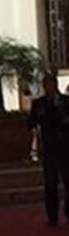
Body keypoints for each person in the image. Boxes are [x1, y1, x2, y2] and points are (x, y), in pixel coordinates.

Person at [28, 74, 69, 227]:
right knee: (50, 183)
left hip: (66, 147)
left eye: (51, 85)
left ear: (56, 85)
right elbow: (30, 123)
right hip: (49, 147)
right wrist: (39, 115)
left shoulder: (66, 101)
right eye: (46, 86)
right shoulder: (39, 103)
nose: (48, 88)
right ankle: (52, 216)